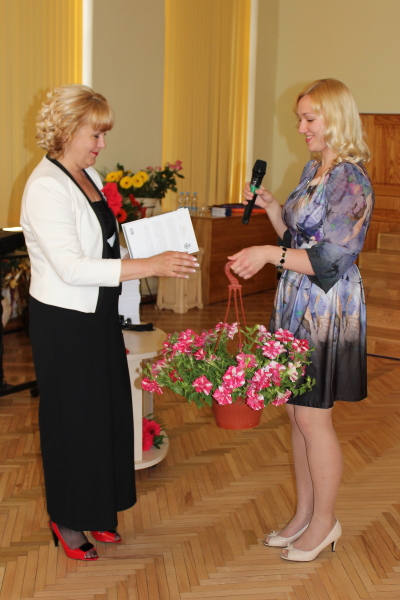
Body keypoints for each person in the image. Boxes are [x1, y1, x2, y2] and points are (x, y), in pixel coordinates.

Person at [20, 84, 198, 561]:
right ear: (66, 130)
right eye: (95, 134)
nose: (102, 144)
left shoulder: (88, 174)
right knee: (72, 420)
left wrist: (157, 247)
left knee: (105, 413)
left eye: (103, 134)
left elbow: (104, 244)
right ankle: (66, 518)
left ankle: (97, 510)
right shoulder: (45, 186)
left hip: (97, 311)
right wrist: (151, 266)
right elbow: (71, 267)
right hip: (63, 321)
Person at [229, 78, 374, 562]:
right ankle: (305, 515)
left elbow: (330, 259)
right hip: (296, 298)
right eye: (300, 118)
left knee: (314, 416)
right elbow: (296, 238)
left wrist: (268, 253)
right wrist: (274, 209)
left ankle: (326, 522)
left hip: (325, 304)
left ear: (336, 118)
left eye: (310, 118)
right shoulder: (315, 168)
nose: (301, 127)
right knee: (295, 411)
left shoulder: (350, 179)